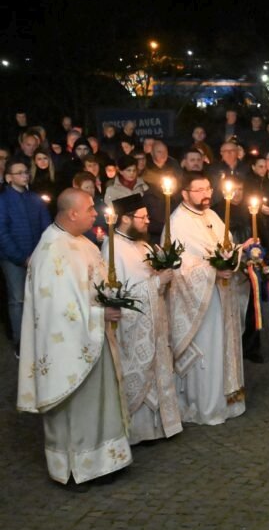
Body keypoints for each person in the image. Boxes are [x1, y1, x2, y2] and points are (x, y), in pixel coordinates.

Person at [16, 188, 133, 486]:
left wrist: (111, 299)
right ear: (72, 213)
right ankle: (77, 468)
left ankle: (105, 460)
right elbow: (54, 308)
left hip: (93, 336)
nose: (96, 214)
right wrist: (99, 315)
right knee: (77, 405)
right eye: (90, 210)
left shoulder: (83, 243)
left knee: (100, 399)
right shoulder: (51, 249)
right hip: (69, 344)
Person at [100, 194, 183, 444]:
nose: (148, 221)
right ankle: (140, 431)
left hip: (154, 320)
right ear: (125, 219)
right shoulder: (113, 249)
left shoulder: (143, 245)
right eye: (143, 217)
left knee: (160, 367)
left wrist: (160, 274)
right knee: (138, 371)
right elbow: (116, 294)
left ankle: (162, 426)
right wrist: (157, 282)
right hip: (131, 327)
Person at [166, 176, 247, 426]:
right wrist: (213, 271)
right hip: (199, 302)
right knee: (207, 351)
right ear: (185, 193)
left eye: (208, 188)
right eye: (198, 190)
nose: (205, 193)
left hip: (222, 295)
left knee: (223, 346)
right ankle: (205, 406)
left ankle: (228, 401)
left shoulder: (211, 215)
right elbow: (180, 266)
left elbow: (227, 246)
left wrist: (241, 254)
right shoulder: (178, 222)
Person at [0, 160, 51, 355]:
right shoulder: (3, 200)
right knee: (18, 300)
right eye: (19, 172)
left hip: (37, 256)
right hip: (13, 259)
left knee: (39, 297)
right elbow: (2, 233)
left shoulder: (34, 198)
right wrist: (22, 258)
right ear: (9, 178)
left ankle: (39, 338)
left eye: (26, 172)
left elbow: (46, 227)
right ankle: (20, 343)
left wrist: (42, 253)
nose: (25, 175)